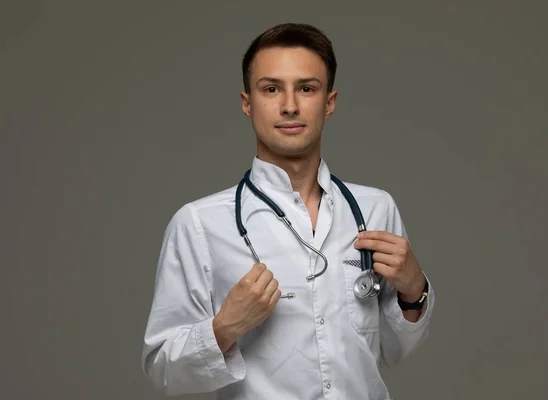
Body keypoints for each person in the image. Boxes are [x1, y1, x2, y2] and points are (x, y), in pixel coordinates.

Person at [141, 22, 435, 400]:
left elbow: (394, 349)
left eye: (307, 88)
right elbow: (164, 372)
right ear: (248, 103)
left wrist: (414, 291)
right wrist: (223, 329)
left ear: (329, 102)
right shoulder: (199, 224)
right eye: (271, 89)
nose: (290, 106)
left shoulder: (375, 209)